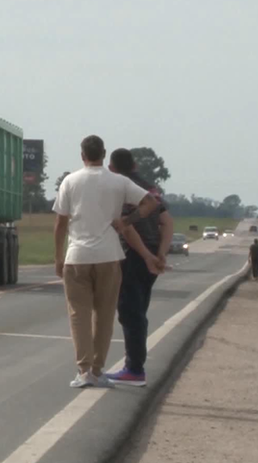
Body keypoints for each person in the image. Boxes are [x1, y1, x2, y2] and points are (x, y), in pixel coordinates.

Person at [53, 135, 160, 389]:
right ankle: (99, 370)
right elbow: (150, 203)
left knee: (78, 315)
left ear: (82, 155)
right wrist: (126, 221)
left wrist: (58, 257)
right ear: (104, 154)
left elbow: (60, 223)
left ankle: (83, 370)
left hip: (77, 255)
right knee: (104, 315)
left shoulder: (70, 181)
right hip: (109, 256)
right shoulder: (118, 181)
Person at [106, 148, 173, 387]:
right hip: (153, 250)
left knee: (130, 311)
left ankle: (134, 369)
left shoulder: (123, 188)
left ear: (112, 168)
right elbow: (166, 221)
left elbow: (126, 227)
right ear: (134, 164)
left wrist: (145, 256)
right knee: (140, 309)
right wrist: (160, 254)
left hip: (133, 255)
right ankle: (134, 366)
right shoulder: (149, 188)